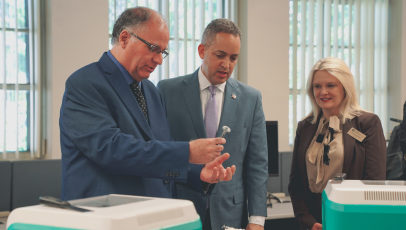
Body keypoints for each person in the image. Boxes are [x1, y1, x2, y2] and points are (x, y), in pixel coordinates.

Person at [59, 7, 236, 201]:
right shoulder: (85, 84)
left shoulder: (151, 91)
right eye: (153, 48)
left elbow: (158, 151)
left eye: (163, 52)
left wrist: (198, 174)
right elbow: (111, 150)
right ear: (125, 38)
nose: (159, 60)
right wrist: (187, 152)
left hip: (152, 216)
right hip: (106, 216)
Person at [157, 19, 268, 230]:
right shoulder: (167, 91)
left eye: (233, 57)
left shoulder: (251, 98)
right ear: (202, 51)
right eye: (220, 55)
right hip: (180, 210)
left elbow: (257, 165)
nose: (227, 64)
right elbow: (160, 152)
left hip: (231, 214)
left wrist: (257, 220)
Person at [288, 57, 386, 230]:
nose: (323, 92)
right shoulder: (305, 126)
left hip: (352, 219)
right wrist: (308, 222)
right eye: (317, 86)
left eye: (330, 85)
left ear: (345, 87)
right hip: (312, 222)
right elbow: (295, 183)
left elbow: (374, 183)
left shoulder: (367, 123)